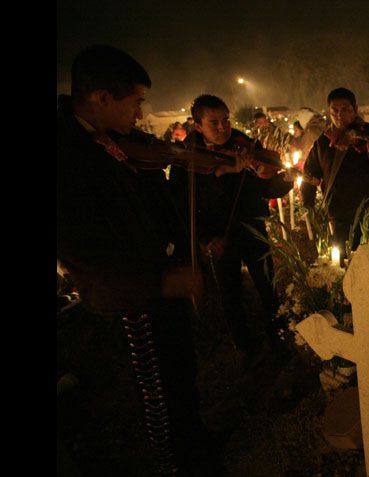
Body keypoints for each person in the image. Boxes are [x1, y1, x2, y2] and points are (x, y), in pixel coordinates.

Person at [57, 44, 221, 475]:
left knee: (181, 379)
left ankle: (193, 443)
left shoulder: (108, 142)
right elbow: (84, 253)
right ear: (102, 98)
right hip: (133, 297)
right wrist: (160, 283)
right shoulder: (69, 157)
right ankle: (178, 464)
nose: (140, 112)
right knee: (157, 397)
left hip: (156, 280)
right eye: (136, 101)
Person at [169, 94, 293, 366]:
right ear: (197, 126)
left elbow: (267, 188)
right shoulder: (185, 159)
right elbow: (183, 206)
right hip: (217, 236)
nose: (223, 127)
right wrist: (204, 239)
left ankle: (279, 334)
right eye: (214, 122)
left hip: (252, 228)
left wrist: (283, 181)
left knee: (267, 285)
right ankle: (243, 343)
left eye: (226, 120)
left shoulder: (245, 146)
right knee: (230, 292)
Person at [300, 87, 369, 255]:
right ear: (329, 111)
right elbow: (309, 174)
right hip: (338, 214)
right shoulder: (323, 142)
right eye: (335, 110)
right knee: (341, 263)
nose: (339, 115)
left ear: (355, 110)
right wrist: (308, 204)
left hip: (367, 213)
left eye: (345, 110)